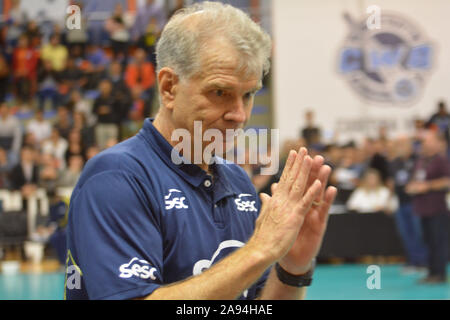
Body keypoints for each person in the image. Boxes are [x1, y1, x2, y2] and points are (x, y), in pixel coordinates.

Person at [65, 2, 337, 300]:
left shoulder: (239, 184)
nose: (239, 115)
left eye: (248, 95)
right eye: (220, 92)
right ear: (169, 87)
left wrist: (292, 269)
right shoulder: (116, 178)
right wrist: (259, 250)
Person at [406, 130, 450, 284]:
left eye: (428, 141)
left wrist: (428, 186)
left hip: (437, 208)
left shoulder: (441, 160)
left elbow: (447, 181)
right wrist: (412, 186)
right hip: (422, 208)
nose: (424, 144)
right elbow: (414, 178)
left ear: (437, 143)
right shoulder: (421, 160)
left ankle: (439, 273)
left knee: (438, 242)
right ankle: (431, 272)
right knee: (428, 241)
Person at [388, 136, 428, 272]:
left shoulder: (418, 160)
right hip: (401, 202)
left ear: (410, 146)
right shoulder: (394, 162)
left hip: (416, 202)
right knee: (406, 233)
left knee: (418, 233)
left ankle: (423, 262)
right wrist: (389, 200)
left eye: (403, 144)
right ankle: (412, 261)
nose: (400, 147)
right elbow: (393, 183)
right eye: (398, 144)